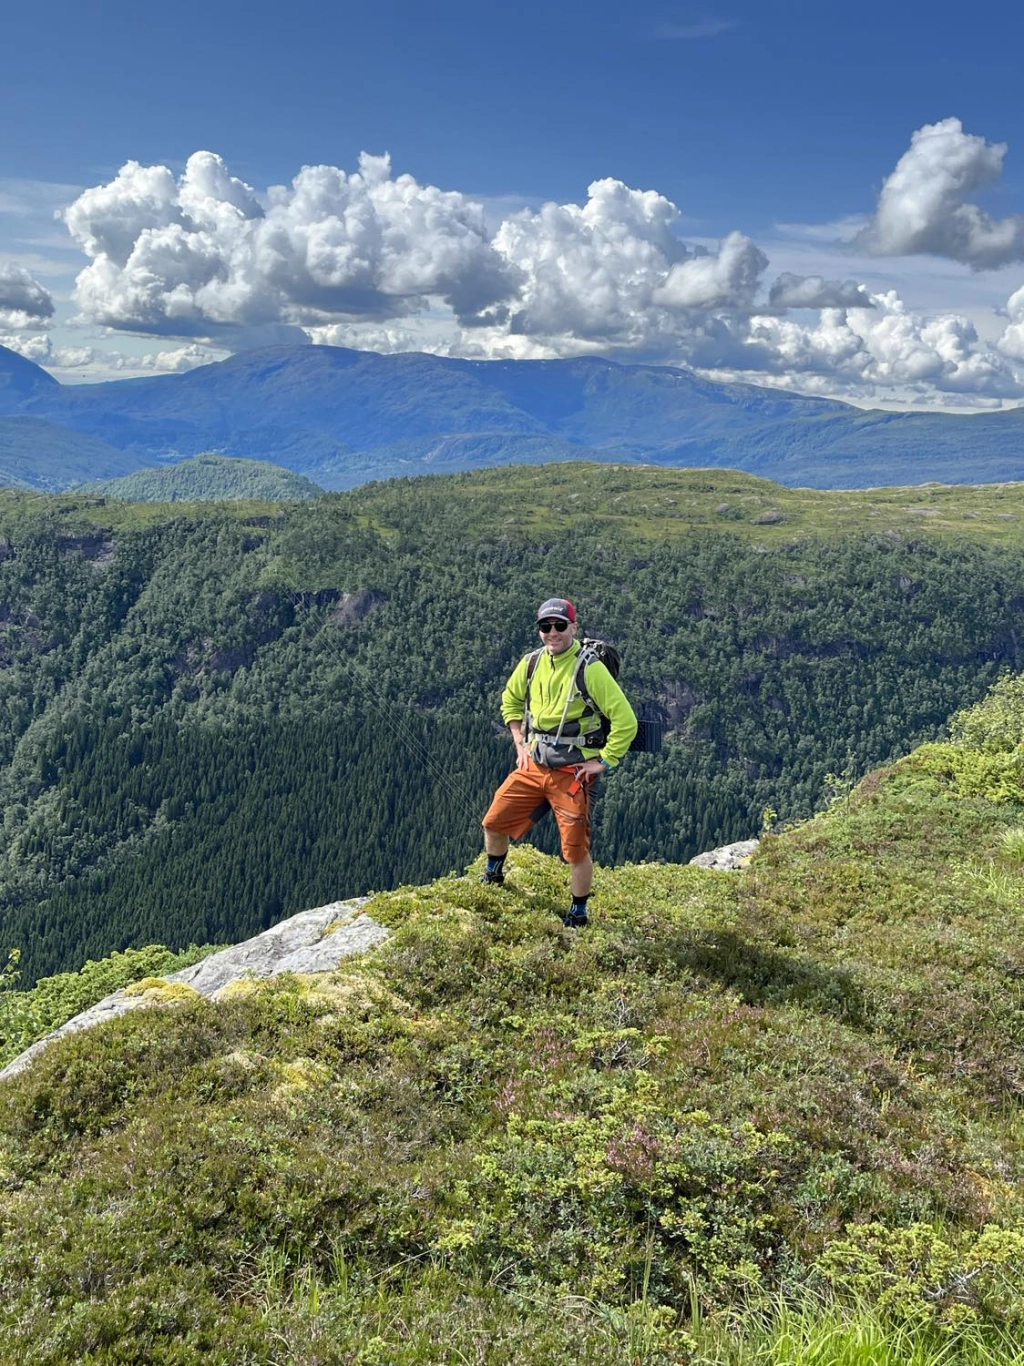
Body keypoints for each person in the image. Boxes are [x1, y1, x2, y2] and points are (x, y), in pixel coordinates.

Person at [480, 596, 638, 927]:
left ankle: (578, 912)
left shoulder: (589, 668)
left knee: (575, 849)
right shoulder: (532, 663)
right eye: (545, 626)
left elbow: (626, 720)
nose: (552, 632)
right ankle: (493, 875)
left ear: (573, 627)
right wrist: (519, 742)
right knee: (493, 822)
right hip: (534, 763)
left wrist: (605, 761)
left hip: (573, 771)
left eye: (559, 626)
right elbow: (510, 700)